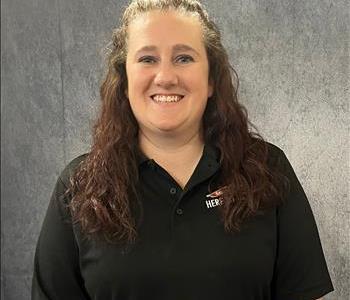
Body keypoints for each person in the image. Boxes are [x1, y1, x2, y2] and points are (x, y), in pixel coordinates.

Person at [31, 0, 334, 299]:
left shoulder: (268, 169)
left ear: (211, 79)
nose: (165, 77)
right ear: (124, 80)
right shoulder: (79, 186)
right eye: (148, 59)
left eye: (184, 58)